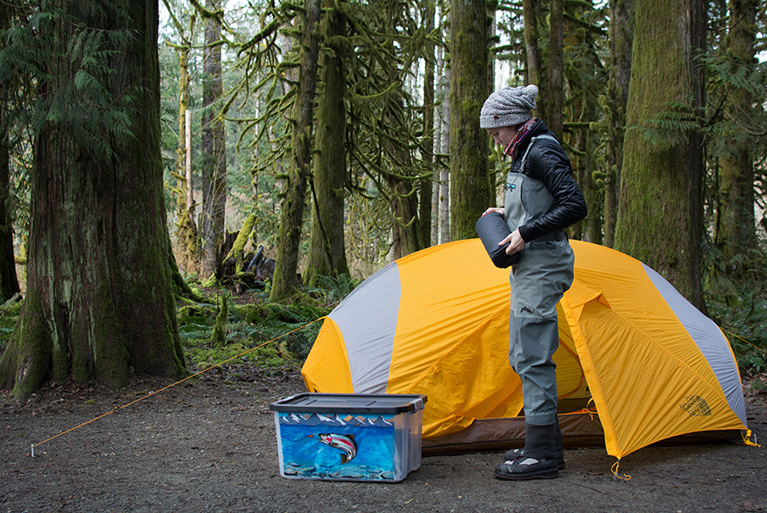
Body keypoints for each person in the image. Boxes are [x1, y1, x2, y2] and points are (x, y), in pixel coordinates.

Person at [479, 85, 587, 480]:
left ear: (513, 123)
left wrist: (524, 232)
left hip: (543, 263)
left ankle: (540, 456)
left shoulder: (541, 149)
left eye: (496, 133)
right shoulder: (524, 151)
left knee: (533, 354)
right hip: (530, 265)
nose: (495, 141)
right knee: (523, 352)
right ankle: (547, 446)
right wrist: (504, 213)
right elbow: (538, 201)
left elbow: (574, 204)